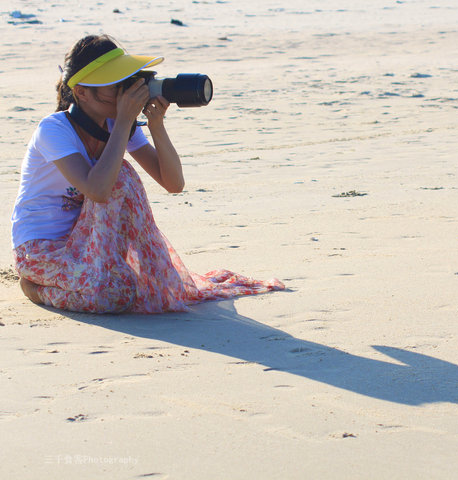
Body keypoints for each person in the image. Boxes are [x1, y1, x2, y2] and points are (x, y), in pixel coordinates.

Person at [10, 35, 284, 313]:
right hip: (41, 248)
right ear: (81, 91)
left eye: (125, 81)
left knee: (133, 288)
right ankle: (34, 287)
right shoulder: (54, 129)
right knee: (112, 297)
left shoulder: (117, 124)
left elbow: (174, 183)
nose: (123, 91)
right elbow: (99, 190)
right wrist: (125, 120)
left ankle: (96, 278)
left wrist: (156, 125)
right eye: (114, 84)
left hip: (88, 244)